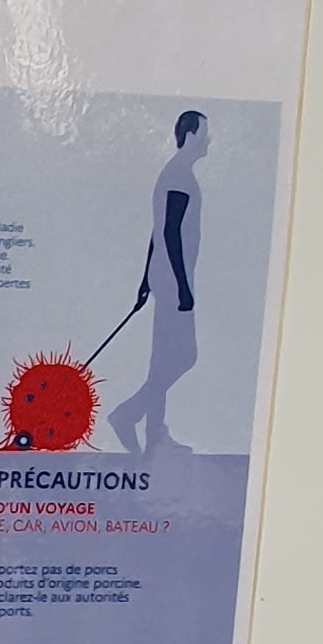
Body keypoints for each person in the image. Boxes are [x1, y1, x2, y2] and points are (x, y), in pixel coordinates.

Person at [109, 111, 210, 455]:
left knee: (163, 358)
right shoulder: (179, 176)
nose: (209, 141)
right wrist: (182, 286)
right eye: (205, 134)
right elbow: (169, 232)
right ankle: (128, 414)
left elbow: (157, 230)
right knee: (185, 356)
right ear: (192, 135)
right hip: (172, 280)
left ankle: (155, 435)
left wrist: (145, 280)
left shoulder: (174, 173)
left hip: (162, 276)